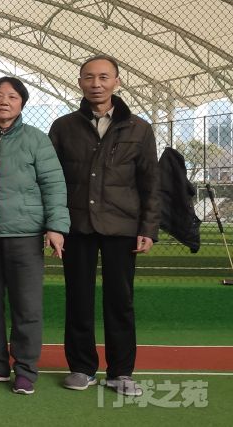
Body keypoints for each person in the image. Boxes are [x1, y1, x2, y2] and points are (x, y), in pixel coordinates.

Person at [49, 54, 159, 397]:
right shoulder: (63, 127)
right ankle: (82, 368)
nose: (96, 84)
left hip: (122, 227)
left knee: (120, 302)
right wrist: (54, 224)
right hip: (77, 226)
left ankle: (121, 372)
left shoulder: (139, 129)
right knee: (78, 299)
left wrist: (148, 228)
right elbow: (52, 180)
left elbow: (151, 183)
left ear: (117, 82)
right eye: (89, 77)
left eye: (103, 77)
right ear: (80, 82)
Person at [0, 76, 69, 395]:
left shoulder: (36, 139)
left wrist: (56, 226)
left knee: (27, 307)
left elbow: (53, 184)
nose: (4, 101)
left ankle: (25, 370)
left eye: (12, 96)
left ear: (22, 104)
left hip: (25, 234)